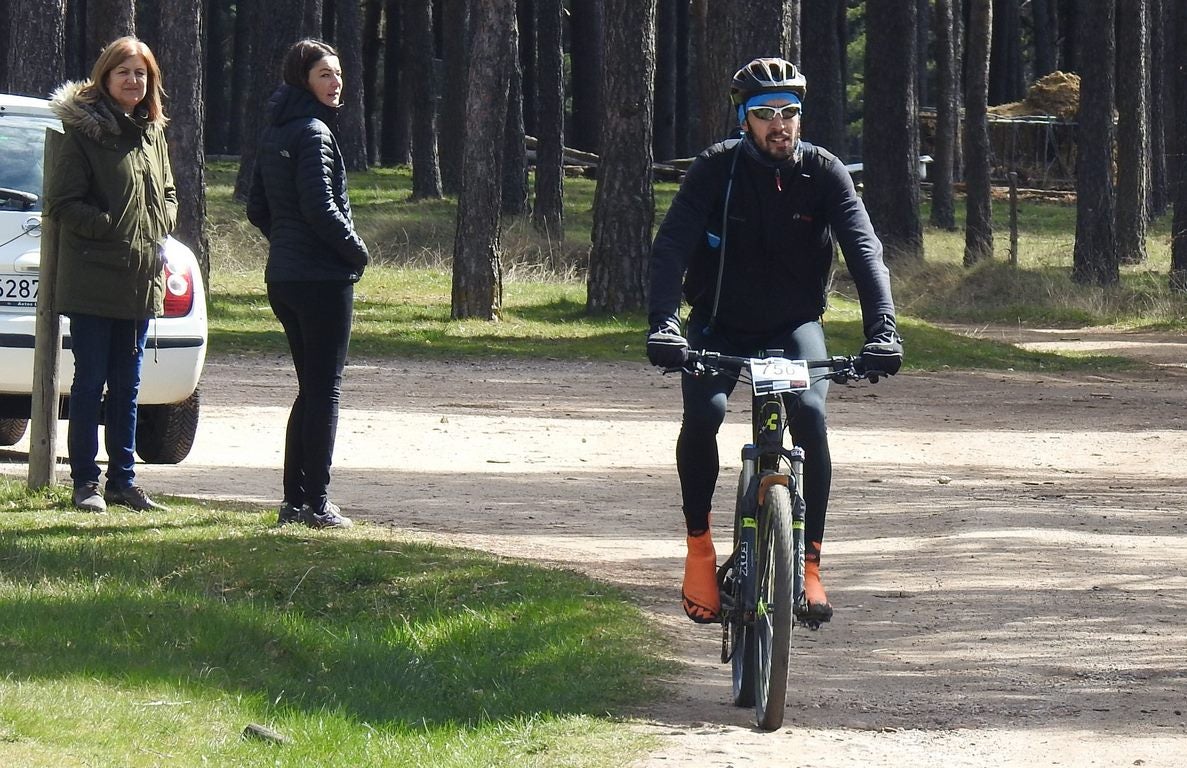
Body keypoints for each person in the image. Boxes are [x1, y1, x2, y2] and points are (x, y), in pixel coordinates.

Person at [646, 57, 903, 624]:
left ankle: (808, 564)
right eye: (765, 113)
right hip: (718, 326)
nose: (779, 124)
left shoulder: (824, 172)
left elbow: (865, 250)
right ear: (744, 120)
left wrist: (882, 331)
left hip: (793, 326)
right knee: (705, 417)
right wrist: (663, 324)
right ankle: (699, 546)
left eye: (789, 112)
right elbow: (671, 247)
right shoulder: (716, 169)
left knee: (810, 418)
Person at [46, 36, 177, 513]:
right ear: (105, 76)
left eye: (141, 74)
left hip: (141, 278)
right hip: (94, 280)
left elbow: (168, 191)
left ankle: (124, 481)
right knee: (90, 383)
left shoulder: (151, 132)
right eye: (124, 72)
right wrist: (111, 228)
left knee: (128, 385)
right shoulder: (85, 133)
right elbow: (63, 203)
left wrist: (160, 223)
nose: (133, 81)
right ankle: (86, 483)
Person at [247, 39, 369, 529]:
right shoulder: (315, 133)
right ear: (303, 80)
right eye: (324, 74)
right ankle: (316, 503)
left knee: (311, 390)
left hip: (284, 277)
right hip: (320, 280)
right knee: (325, 391)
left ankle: (294, 501)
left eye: (338, 74)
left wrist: (287, 243)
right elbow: (322, 208)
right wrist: (356, 252)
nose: (335, 82)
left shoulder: (278, 129)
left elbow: (258, 208)